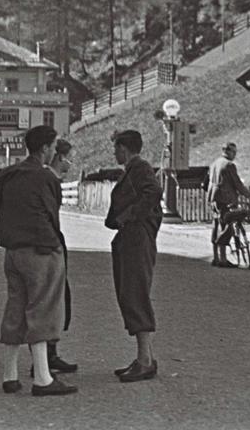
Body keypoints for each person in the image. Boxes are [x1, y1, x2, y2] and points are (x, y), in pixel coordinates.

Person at [0, 125, 77, 396]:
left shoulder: (8, 174)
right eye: (53, 146)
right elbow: (52, 214)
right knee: (42, 309)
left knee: (15, 307)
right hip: (41, 249)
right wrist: (54, 246)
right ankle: (43, 378)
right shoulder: (45, 178)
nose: (54, 151)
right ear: (44, 148)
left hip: (12, 250)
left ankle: (10, 375)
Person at [106, 129, 163, 383]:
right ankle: (145, 357)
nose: (115, 152)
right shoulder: (134, 168)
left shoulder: (140, 167)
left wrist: (130, 215)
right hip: (131, 237)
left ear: (125, 148)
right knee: (130, 292)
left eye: (117, 148)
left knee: (134, 293)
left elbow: (153, 192)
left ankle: (144, 360)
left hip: (137, 237)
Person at [43, 139, 77, 375]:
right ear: (58, 158)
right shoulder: (47, 179)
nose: (69, 165)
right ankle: (44, 358)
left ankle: (50, 353)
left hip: (53, 240)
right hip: (48, 243)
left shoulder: (51, 179)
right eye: (67, 159)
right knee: (51, 299)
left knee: (59, 298)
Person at [207, 141, 250, 268]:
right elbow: (237, 184)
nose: (235, 155)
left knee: (216, 227)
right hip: (226, 200)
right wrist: (249, 195)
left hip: (214, 199)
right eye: (234, 152)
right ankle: (223, 259)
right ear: (228, 151)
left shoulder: (214, 163)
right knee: (227, 228)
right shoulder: (229, 165)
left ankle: (216, 257)